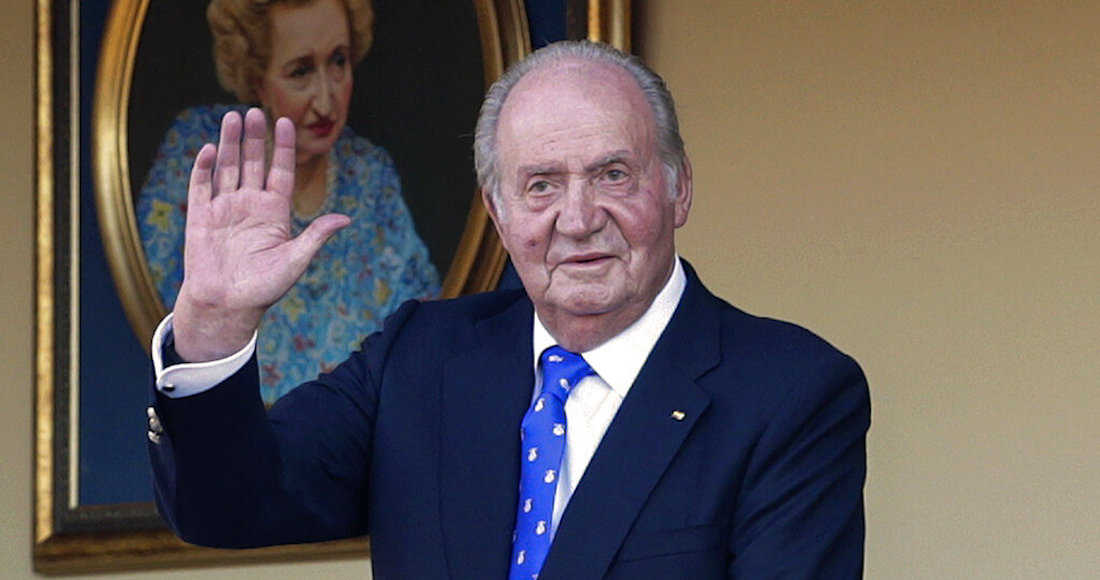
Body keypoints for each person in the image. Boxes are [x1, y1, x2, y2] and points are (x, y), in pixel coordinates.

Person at [147, 41, 870, 579]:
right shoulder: (419, 359)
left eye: (613, 174)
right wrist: (214, 324)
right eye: (541, 186)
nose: (578, 219)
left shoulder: (791, 393)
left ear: (678, 188)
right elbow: (226, 507)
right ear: (498, 213)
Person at [136, 0, 439, 403]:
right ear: (257, 79)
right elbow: (157, 315)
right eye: (301, 71)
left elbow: (423, 324)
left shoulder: (370, 174)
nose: (326, 101)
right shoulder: (197, 154)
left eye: (338, 61)